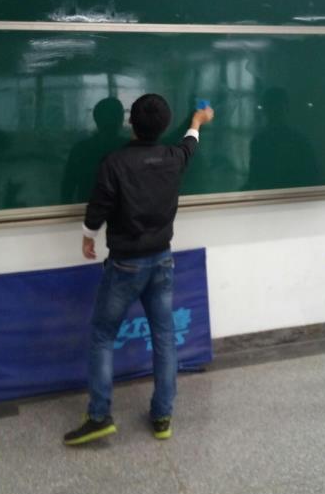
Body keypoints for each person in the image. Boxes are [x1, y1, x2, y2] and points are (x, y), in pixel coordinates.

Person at [63, 94, 214, 445]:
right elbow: (190, 144)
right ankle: (162, 415)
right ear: (164, 125)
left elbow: (98, 206)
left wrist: (88, 237)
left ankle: (99, 416)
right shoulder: (173, 157)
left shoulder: (114, 162)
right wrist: (197, 121)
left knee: (103, 335)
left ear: (130, 122)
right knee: (164, 337)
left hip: (125, 264)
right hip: (162, 260)